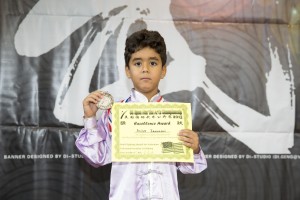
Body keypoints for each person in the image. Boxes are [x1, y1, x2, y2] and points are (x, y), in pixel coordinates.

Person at [75, 29, 207, 200]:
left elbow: (188, 167)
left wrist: (194, 149)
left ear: (163, 70)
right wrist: (91, 119)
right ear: (128, 70)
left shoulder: (176, 116)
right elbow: (97, 157)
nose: (145, 69)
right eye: (137, 63)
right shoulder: (114, 113)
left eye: (153, 63)